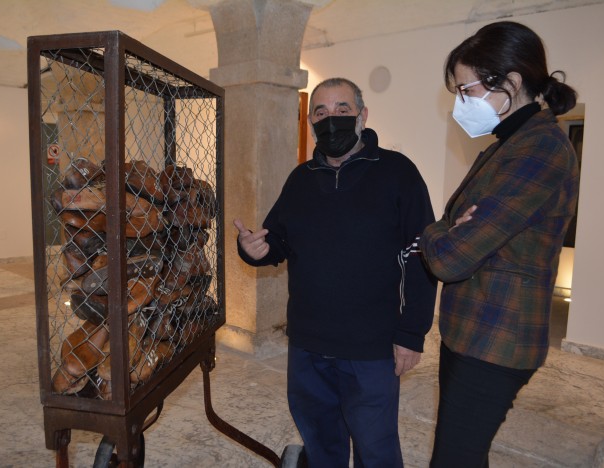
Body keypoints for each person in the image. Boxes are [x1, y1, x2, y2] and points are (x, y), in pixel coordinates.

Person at [234, 77, 437, 468]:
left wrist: (412, 334)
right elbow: (277, 241)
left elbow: (422, 255)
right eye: (321, 112)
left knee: (375, 448)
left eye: (342, 109)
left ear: (362, 115)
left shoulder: (398, 172)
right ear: (311, 121)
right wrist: (254, 251)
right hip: (308, 344)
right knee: (320, 441)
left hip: (371, 347)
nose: (332, 119)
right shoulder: (300, 179)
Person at [418, 21, 581, 467]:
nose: (459, 104)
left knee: (456, 459)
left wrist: (435, 231)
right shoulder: (506, 145)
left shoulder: (539, 148)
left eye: (465, 90)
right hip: (471, 331)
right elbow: (454, 227)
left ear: (511, 82)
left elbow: (451, 258)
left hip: (497, 338)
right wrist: (449, 228)